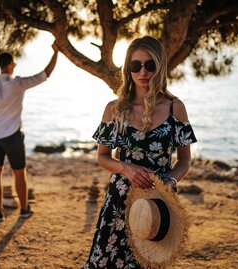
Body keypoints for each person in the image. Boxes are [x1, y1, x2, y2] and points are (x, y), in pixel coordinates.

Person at [83, 36, 197, 268]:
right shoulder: (114, 109)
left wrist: (169, 181)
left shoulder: (176, 107)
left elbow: (184, 160)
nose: (142, 72)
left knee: (146, 262)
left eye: (150, 65)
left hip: (157, 201)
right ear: (128, 69)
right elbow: (102, 157)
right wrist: (126, 167)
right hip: (118, 201)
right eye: (135, 65)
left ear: (160, 66)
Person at [0, 42, 59, 222]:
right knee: (19, 173)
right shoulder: (18, 83)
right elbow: (45, 74)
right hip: (12, 136)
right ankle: (24, 209)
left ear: (0, 65)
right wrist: (56, 53)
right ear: (10, 65)